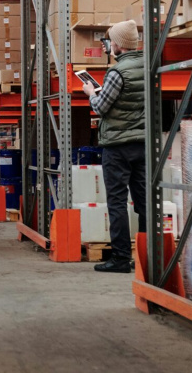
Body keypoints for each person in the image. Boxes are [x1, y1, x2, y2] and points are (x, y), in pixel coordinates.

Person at [81, 19, 147, 273]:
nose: (108, 46)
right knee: (144, 203)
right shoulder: (147, 66)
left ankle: (120, 258)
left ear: (118, 44)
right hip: (142, 144)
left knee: (117, 202)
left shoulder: (117, 72)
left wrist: (91, 92)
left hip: (118, 146)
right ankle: (146, 256)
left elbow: (100, 107)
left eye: (110, 42)